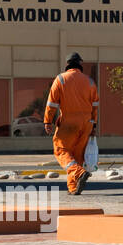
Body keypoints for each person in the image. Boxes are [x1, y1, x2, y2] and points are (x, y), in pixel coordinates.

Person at [44, 52, 99, 194]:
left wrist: (48, 121)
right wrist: (93, 124)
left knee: (60, 150)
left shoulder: (61, 79)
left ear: (67, 64)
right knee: (77, 155)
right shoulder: (90, 82)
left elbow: (51, 104)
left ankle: (79, 173)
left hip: (69, 122)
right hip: (86, 123)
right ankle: (73, 187)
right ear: (80, 65)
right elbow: (95, 105)